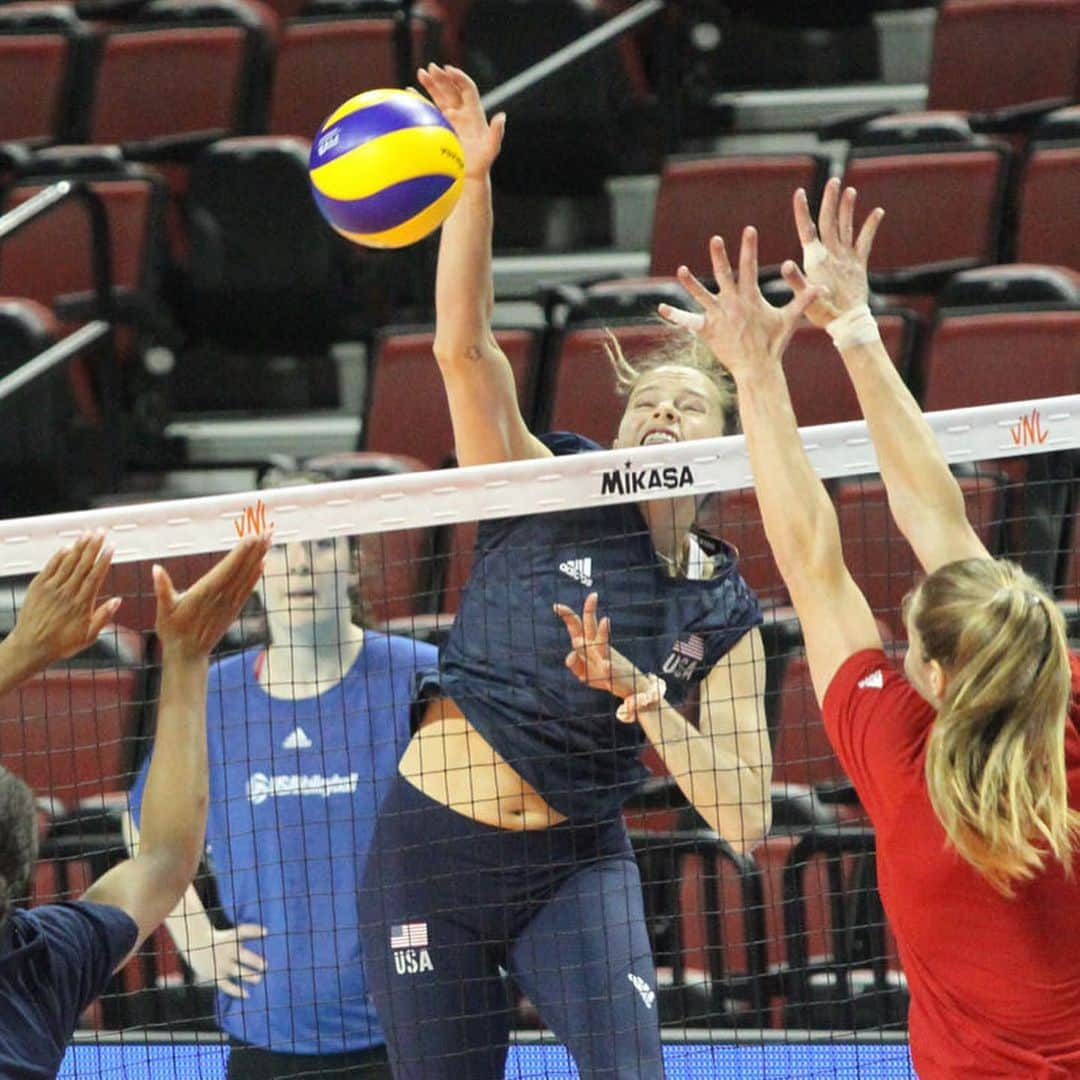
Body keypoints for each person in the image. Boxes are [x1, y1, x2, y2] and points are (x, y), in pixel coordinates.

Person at [356, 65, 787, 1080]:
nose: (663, 416)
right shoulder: (546, 487)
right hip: (435, 861)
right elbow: (462, 353)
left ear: (726, 450)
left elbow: (744, 816)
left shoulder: (722, 609)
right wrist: (471, 185)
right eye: (649, 404)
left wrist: (648, 699)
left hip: (576, 864)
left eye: (691, 407)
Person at [650, 176, 1080, 1077]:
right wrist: (850, 325)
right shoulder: (1061, 700)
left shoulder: (901, 760)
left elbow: (814, 559)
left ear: (930, 674)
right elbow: (945, 528)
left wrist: (759, 373)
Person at [124, 471, 438, 1080]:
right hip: (264, 1035)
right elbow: (141, 821)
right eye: (281, 548)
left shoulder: (419, 679)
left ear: (351, 564)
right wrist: (196, 941)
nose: (300, 565)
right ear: (253, 570)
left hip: (408, 1028)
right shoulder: (210, 695)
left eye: (321, 545)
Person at [0, 530, 269, 1079]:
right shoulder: (44, 960)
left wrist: (23, 652)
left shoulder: (48, 956)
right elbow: (165, 858)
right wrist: (188, 659)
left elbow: (163, 858)